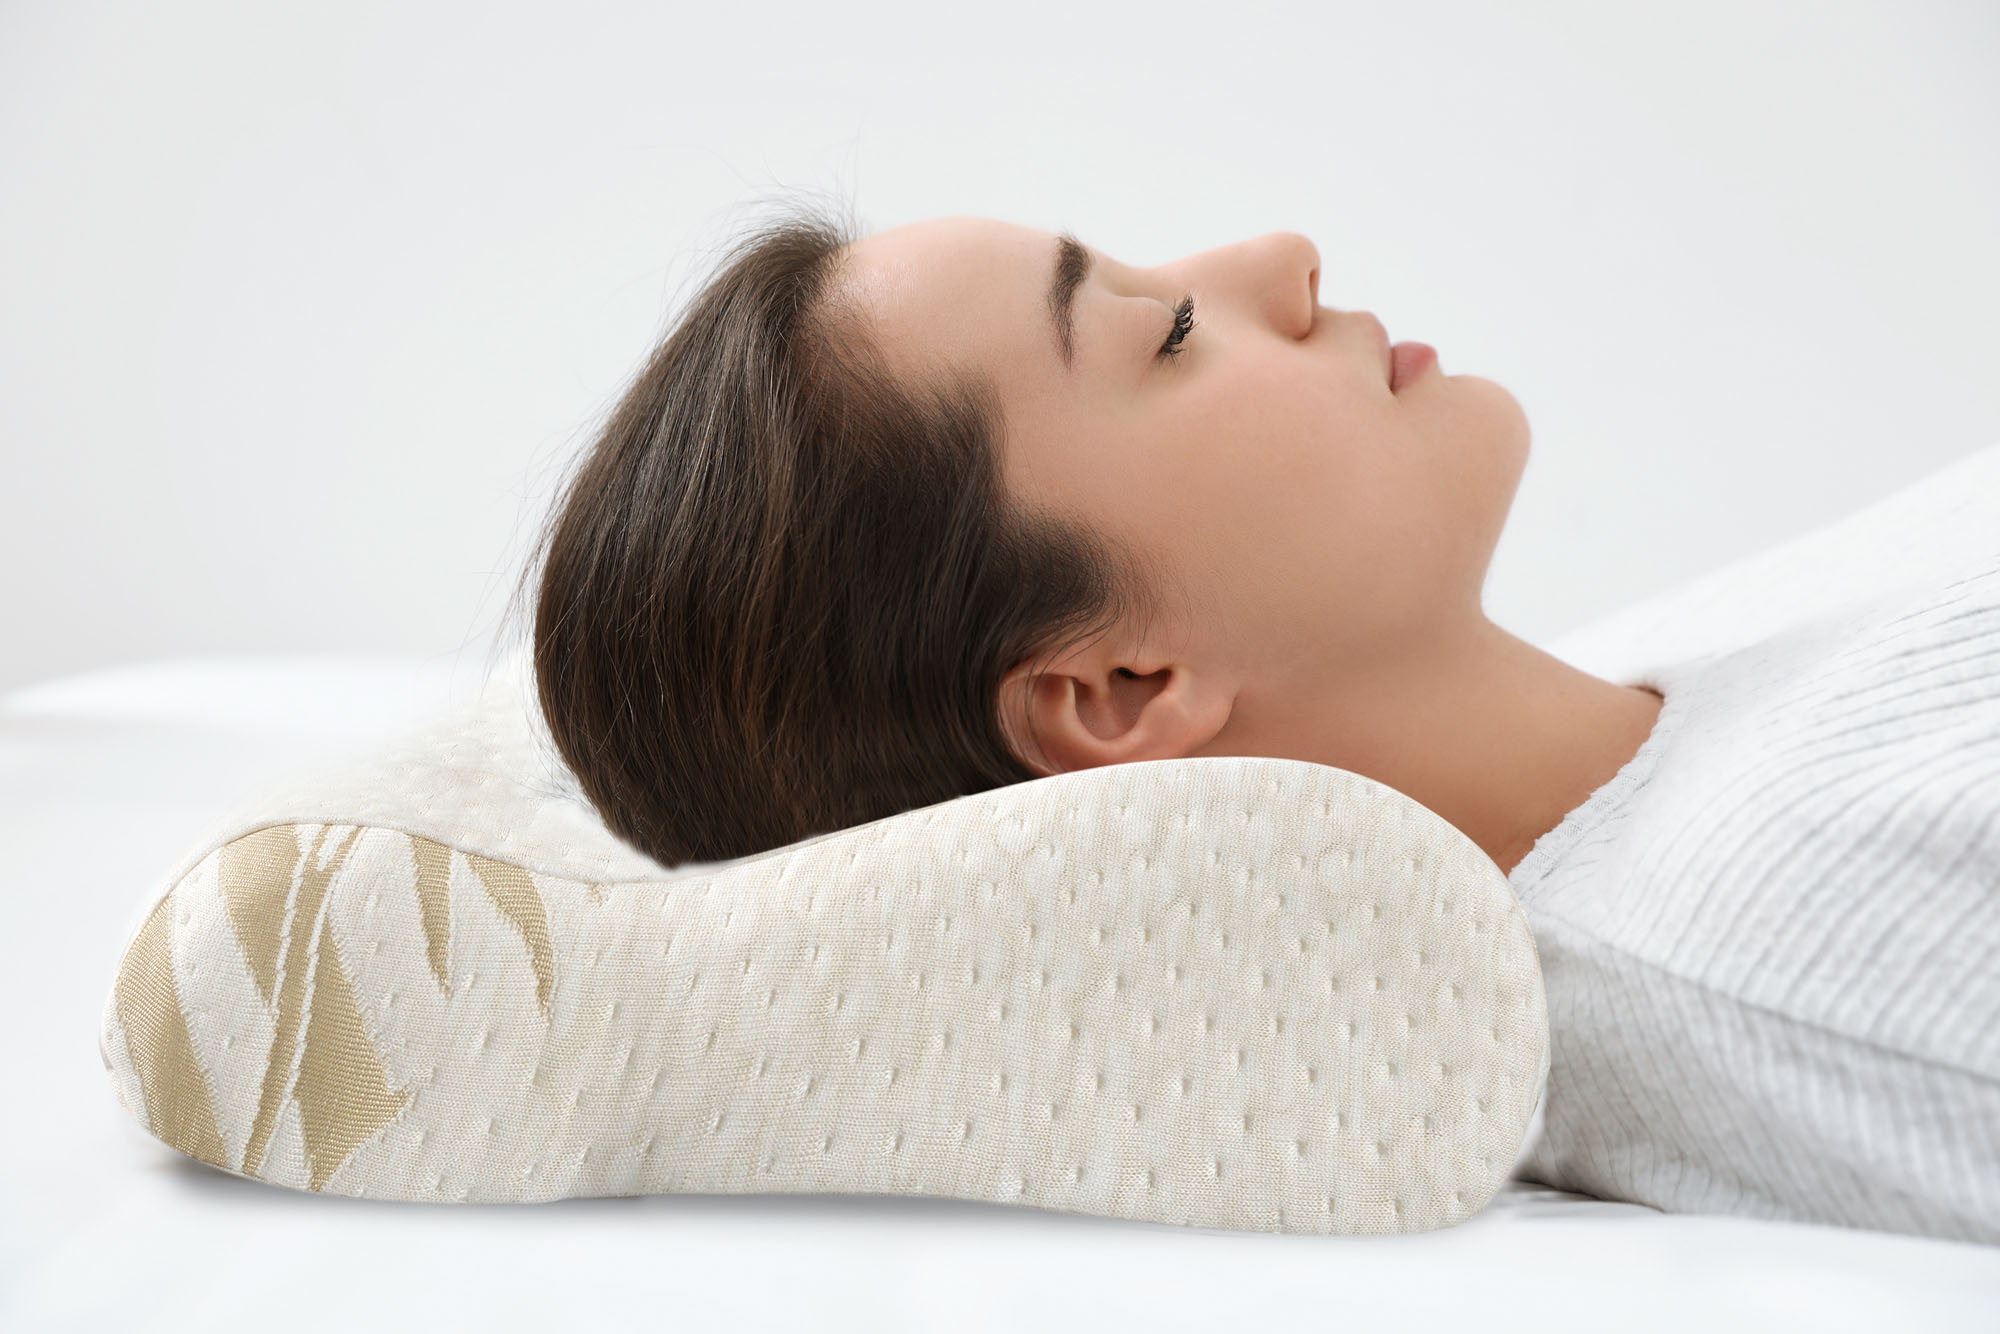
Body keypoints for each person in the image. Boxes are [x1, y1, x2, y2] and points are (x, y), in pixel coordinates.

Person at [512, 197, 1997, 1245]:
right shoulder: (1814, 925)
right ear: (1120, 691)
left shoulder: (1670, 671)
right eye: (1164, 334)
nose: (1281, 258)